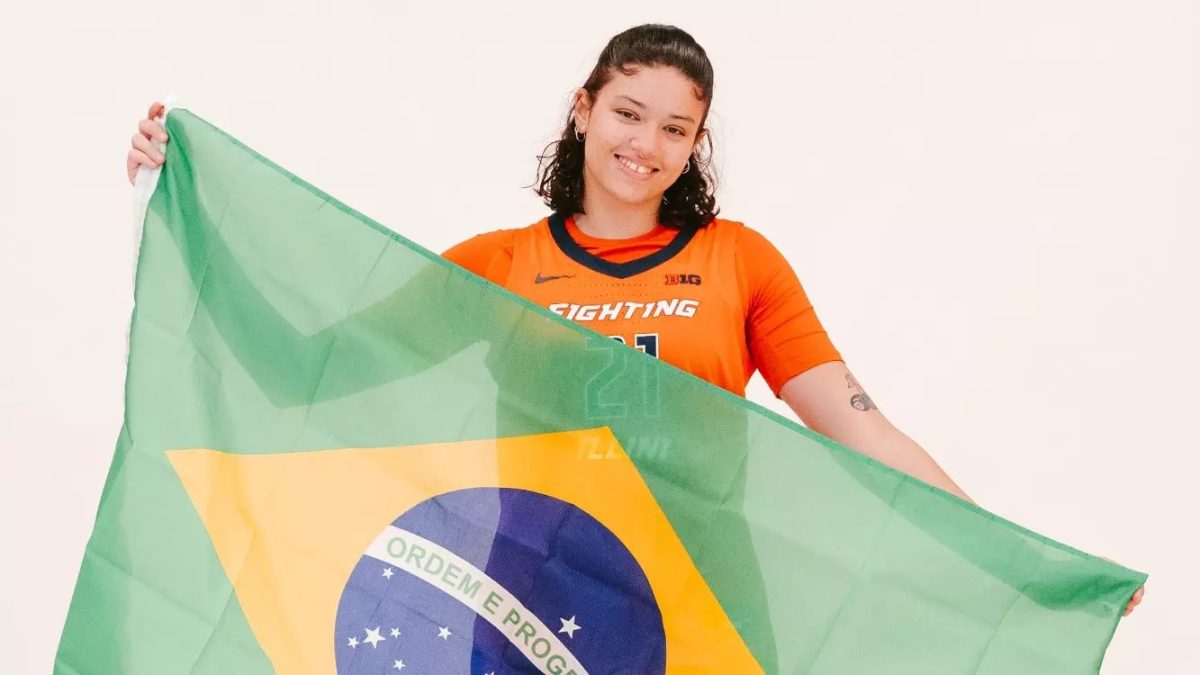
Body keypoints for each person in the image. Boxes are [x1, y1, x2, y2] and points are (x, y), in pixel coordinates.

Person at [125, 23, 1141, 618]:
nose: (645, 144)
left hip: (702, 599)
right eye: (627, 113)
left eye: (675, 127)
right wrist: (180, 200)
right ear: (583, 108)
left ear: (695, 144)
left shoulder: (738, 261)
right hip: (530, 599)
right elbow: (316, 368)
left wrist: (1022, 561)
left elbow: (861, 427)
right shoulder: (498, 264)